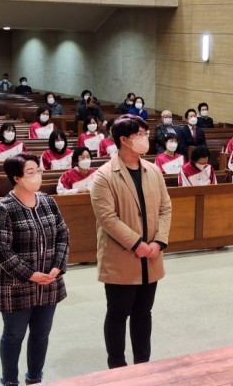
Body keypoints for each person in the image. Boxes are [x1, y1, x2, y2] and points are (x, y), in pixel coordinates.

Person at [90, 115, 172, 369]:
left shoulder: (153, 170)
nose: (145, 138)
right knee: (118, 313)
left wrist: (159, 241)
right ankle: (117, 367)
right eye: (140, 134)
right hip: (122, 256)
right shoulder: (104, 176)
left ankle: (142, 364)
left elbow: (165, 208)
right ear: (124, 140)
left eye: (145, 134)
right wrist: (138, 244)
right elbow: (107, 218)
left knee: (143, 313)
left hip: (152, 255)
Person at [0, 152, 69, 386]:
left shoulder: (48, 201)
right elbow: (0, 250)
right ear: (17, 178)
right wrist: (30, 274)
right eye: (30, 172)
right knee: (14, 336)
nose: (37, 176)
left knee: (41, 335)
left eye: (38, 170)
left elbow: (63, 234)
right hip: (17, 286)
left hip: (48, 283)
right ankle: (9, 381)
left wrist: (57, 266)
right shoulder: (3, 208)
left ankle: (35, 378)